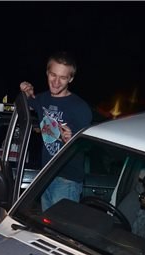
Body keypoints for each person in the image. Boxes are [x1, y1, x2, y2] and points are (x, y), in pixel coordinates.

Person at [19, 51, 93, 210]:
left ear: (71, 79)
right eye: (53, 75)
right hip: (45, 176)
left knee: (61, 231)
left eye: (63, 77)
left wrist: (74, 141)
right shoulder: (42, 99)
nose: (56, 82)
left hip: (67, 180)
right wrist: (25, 90)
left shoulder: (80, 108)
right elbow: (24, 104)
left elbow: (90, 146)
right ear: (47, 73)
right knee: (46, 229)